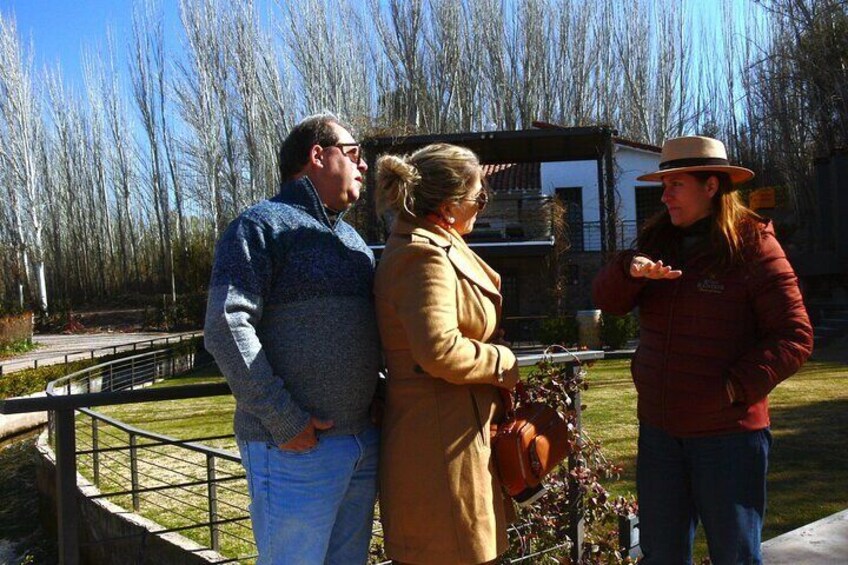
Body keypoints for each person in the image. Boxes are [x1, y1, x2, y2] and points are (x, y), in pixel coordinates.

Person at [592, 136, 813, 564]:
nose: (664, 194)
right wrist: (628, 270)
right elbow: (609, 300)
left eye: (675, 184)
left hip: (727, 439)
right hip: (660, 433)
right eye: (664, 184)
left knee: (735, 555)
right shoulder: (657, 239)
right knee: (661, 555)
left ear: (711, 186)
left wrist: (732, 389)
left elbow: (794, 335)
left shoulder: (752, 244)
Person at [204, 114, 381, 564]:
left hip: (360, 443)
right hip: (294, 452)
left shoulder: (354, 242)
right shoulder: (259, 227)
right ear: (318, 155)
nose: (364, 167)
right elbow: (226, 326)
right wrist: (284, 420)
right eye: (355, 153)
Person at [373, 143, 520, 565]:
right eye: (479, 197)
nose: (481, 206)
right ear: (451, 204)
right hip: (437, 447)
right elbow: (438, 350)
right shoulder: (422, 255)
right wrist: (503, 362)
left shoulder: (437, 244)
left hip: (453, 434)